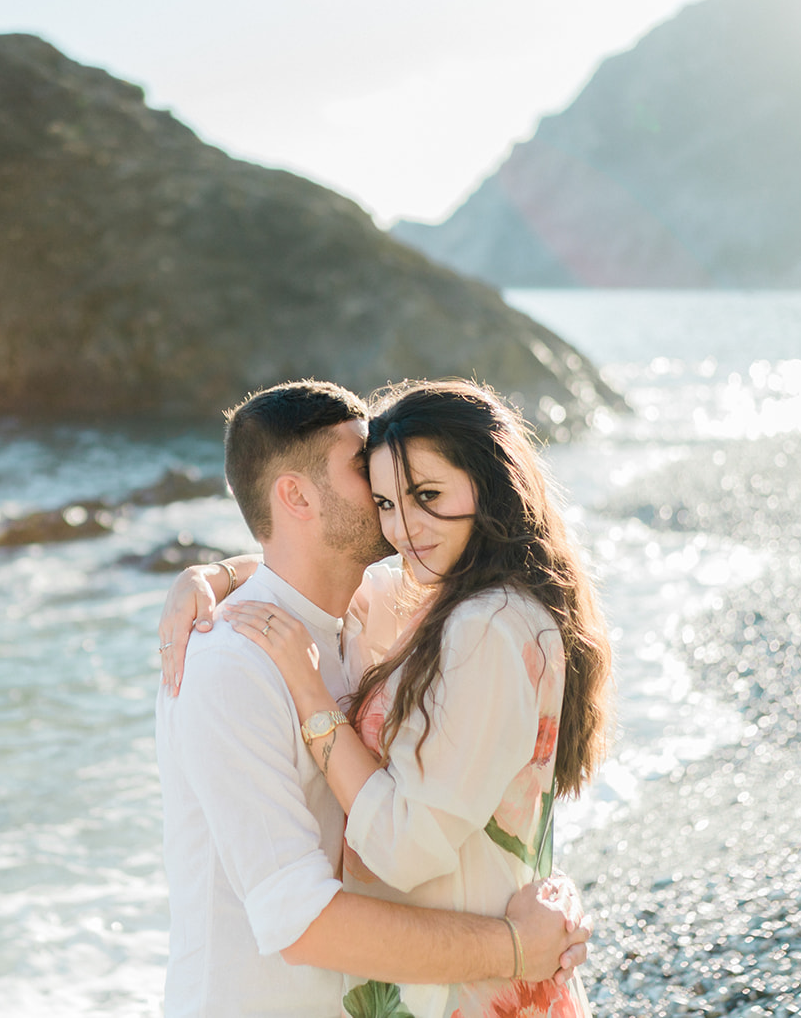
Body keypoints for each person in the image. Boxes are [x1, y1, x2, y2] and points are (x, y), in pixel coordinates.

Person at [161, 378, 611, 1018]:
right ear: (295, 495)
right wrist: (516, 947)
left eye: (421, 492)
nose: (394, 508)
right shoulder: (232, 664)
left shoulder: (378, 623)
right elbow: (302, 922)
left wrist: (533, 919)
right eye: (369, 479)